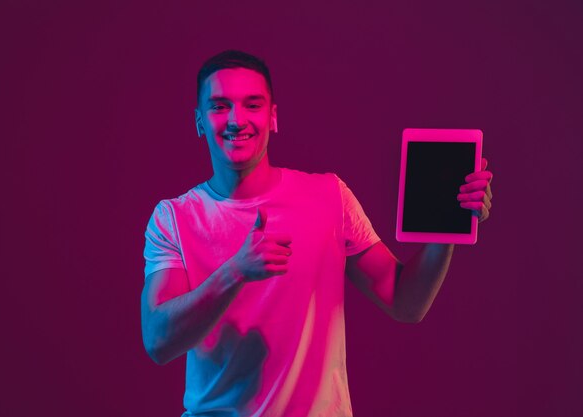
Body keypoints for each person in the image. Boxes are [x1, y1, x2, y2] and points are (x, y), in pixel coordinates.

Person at [141, 50, 493, 417]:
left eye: (252, 104)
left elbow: (406, 303)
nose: (236, 119)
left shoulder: (329, 197)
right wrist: (235, 272)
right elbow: (158, 341)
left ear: (273, 116)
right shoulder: (174, 217)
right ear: (199, 121)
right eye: (219, 106)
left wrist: (449, 224)